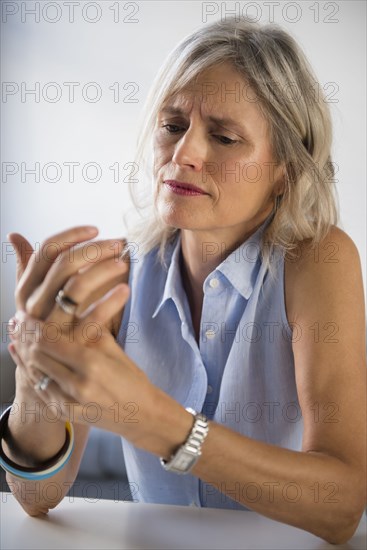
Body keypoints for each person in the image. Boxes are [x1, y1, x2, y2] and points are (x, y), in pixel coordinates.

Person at [1, 16, 366, 544]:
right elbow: (37, 497)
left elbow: (342, 506)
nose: (184, 154)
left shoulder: (318, 261)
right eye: (172, 126)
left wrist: (162, 424)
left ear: (286, 168)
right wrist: (34, 374)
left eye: (223, 137)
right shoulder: (115, 276)